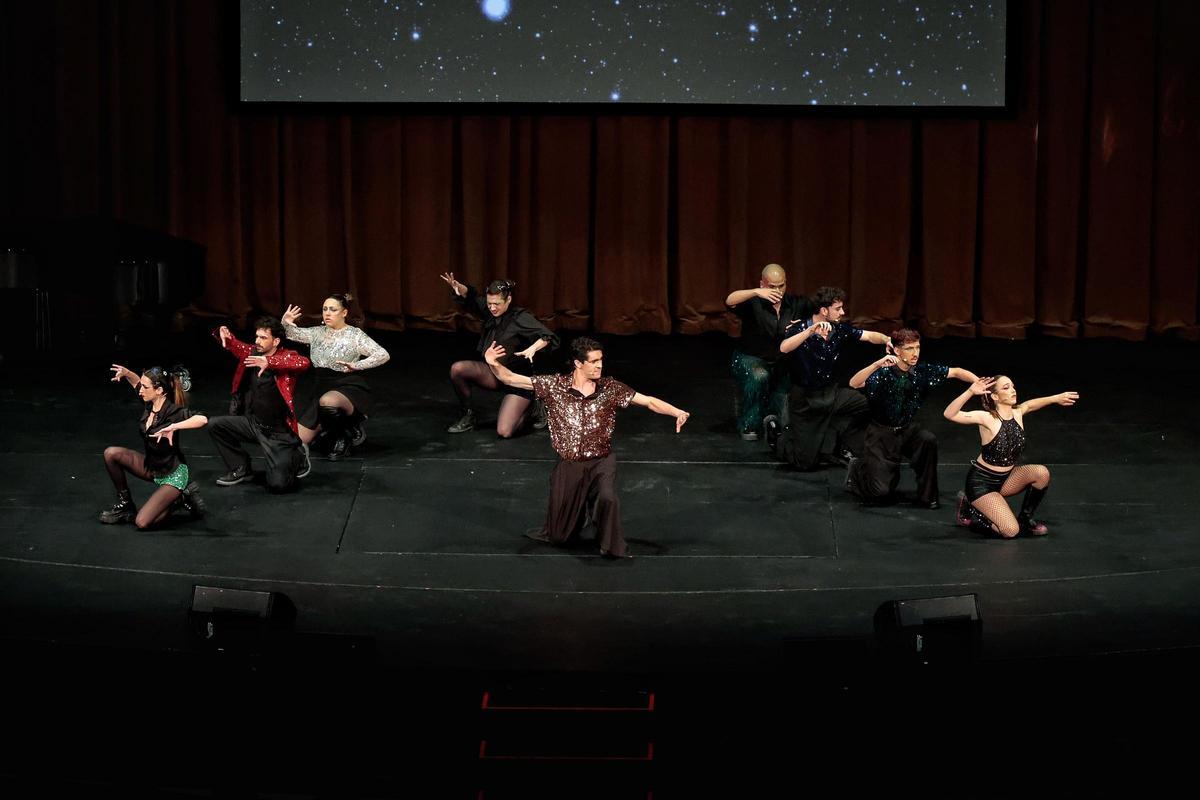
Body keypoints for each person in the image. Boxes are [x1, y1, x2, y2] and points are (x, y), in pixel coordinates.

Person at [483, 337, 689, 558]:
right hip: (570, 463)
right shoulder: (554, 386)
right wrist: (492, 363)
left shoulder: (610, 388)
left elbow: (648, 401)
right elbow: (511, 378)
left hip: (601, 460)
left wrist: (677, 412)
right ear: (578, 363)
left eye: (601, 360)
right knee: (560, 536)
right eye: (593, 361)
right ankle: (579, 518)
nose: (599, 365)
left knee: (608, 498)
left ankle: (609, 545)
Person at [844, 329, 979, 509]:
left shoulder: (922, 372)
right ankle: (856, 469)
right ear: (897, 351)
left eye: (917, 347)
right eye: (909, 348)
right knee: (880, 493)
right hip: (881, 433)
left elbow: (956, 372)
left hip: (907, 429)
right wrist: (877, 364)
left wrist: (978, 383)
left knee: (927, 439)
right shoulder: (883, 373)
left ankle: (927, 495)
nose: (915, 353)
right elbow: (854, 383)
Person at [767, 286, 890, 470]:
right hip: (806, 401)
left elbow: (869, 336)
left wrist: (888, 340)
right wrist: (810, 331)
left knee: (871, 403)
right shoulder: (799, 327)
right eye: (838, 308)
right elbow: (784, 347)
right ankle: (778, 436)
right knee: (804, 463)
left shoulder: (839, 330)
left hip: (831, 395)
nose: (842, 312)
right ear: (824, 311)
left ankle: (842, 445)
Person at [943, 376, 1079, 538]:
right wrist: (971, 391)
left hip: (1005, 480)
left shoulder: (1017, 412)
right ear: (995, 396)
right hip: (981, 485)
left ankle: (1025, 519)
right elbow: (949, 414)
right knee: (1010, 531)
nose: (1013, 390)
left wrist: (1055, 398)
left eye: (1013, 386)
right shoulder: (987, 418)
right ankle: (971, 513)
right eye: (1006, 388)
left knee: (1041, 473)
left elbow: (1030, 404)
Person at [440, 273, 560, 437]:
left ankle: (532, 406)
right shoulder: (490, 310)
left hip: (516, 379)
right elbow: (472, 298)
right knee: (458, 369)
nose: (492, 307)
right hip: (495, 373)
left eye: (497, 304)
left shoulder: (520, 318)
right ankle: (468, 415)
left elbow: (549, 337)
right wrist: (459, 287)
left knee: (504, 431)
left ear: (508, 300)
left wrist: (534, 348)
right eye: (490, 304)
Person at [208, 317, 312, 493]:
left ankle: (298, 456)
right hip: (254, 424)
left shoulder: (286, 357)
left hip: (278, 434)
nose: (257, 341)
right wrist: (224, 334)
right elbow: (236, 346)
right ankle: (240, 468)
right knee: (215, 425)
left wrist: (270, 362)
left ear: (276, 341)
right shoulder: (253, 353)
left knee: (278, 485)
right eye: (257, 336)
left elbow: (303, 362)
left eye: (263, 337)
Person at [282, 293, 389, 461]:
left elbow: (383, 355)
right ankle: (329, 431)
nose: (327, 313)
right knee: (298, 439)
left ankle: (343, 437)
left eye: (333, 309)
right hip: (320, 386)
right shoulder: (316, 333)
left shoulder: (354, 335)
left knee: (328, 401)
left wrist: (357, 365)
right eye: (325, 309)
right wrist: (286, 322)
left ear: (344, 313)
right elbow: (291, 334)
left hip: (346, 386)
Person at [101, 364, 208, 529]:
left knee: (142, 522)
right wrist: (127, 373)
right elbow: (137, 382)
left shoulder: (172, 411)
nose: (140, 390)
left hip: (173, 475)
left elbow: (202, 419)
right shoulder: (149, 403)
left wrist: (174, 427)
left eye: (145, 387)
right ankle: (126, 505)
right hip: (152, 468)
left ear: (159, 390)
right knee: (111, 453)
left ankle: (180, 498)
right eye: (142, 387)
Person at [725, 263, 811, 441]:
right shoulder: (752, 303)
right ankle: (749, 423)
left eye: (781, 285)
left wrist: (805, 326)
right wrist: (756, 292)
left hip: (782, 361)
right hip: (751, 358)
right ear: (763, 284)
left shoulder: (796, 304)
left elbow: (817, 316)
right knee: (759, 376)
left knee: (789, 380)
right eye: (772, 286)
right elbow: (729, 300)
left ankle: (777, 422)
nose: (778, 290)